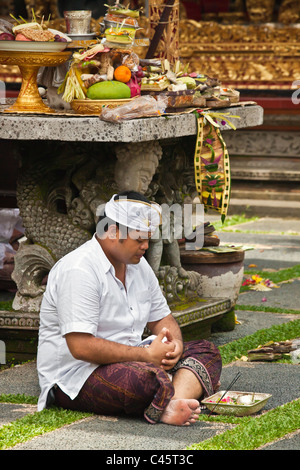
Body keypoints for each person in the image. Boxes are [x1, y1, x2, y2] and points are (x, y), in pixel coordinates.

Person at [37, 191, 222, 426]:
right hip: (78, 375)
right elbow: (80, 346)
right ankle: (172, 393)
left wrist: (175, 347)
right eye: (139, 239)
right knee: (146, 380)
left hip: (137, 358)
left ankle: (168, 402)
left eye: (148, 238)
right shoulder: (79, 270)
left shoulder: (138, 266)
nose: (146, 246)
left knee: (207, 351)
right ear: (113, 232)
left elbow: (163, 318)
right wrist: (146, 356)